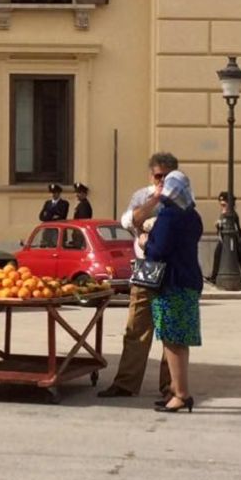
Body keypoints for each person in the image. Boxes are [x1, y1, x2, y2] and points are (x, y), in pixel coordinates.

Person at [97, 153, 176, 399]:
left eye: (166, 176)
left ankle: (171, 386)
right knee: (136, 327)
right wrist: (155, 199)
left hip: (172, 268)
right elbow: (131, 221)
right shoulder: (142, 196)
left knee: (170, 330)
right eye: (157, 176)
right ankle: (126, 384)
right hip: (146, 267)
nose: (161, 180)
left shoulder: (182, 197)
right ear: (150, 175)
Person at [143, 170, 204, 413]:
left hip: (171, 282)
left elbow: (159, 250)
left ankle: (180, 393)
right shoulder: (193, 216)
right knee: (180, 340)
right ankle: (175, 389)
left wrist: (145, 241)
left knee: (172, 340)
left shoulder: (169, 215)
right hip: (189, 280)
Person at [206, 192, 241, 285]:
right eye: (220, 203)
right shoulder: (225, 212)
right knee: (221, 256)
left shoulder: (231, 214)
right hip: (224, 239)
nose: (222, 206)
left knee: (239, 257)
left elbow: (237, 228)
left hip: (231, 240)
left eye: (224, 203)